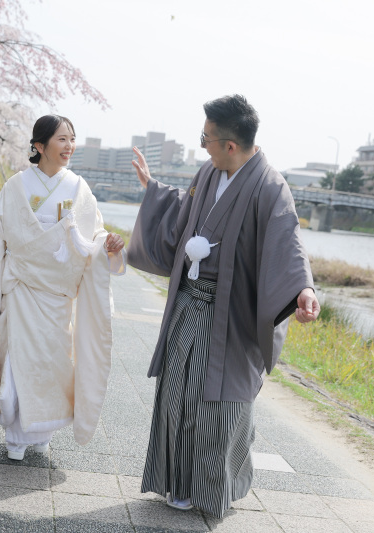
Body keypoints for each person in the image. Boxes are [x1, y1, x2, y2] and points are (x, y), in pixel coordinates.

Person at [127, 94, 319, 517]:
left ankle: (212, 490)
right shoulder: (209, 172)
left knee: (219, 404)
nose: (203, 146)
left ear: (231, 145)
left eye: (206, 139)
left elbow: (288, 242)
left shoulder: (270, 188)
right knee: (176, 393)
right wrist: (154, 191)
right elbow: (187, 212)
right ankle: (175, 483)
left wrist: (303, 290)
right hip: (188, 305)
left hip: (231, 316)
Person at [0, 115, 126, 460]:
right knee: (17, 362)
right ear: (39, 145)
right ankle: (16, 436)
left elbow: (91, 235)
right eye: (62, 139)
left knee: (53, 363)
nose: (69, 146)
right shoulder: (17, 186)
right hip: (21, 291)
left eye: (72, 139)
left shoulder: (79, 189)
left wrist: (106, 245)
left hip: (57, 297)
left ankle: (43, 429)